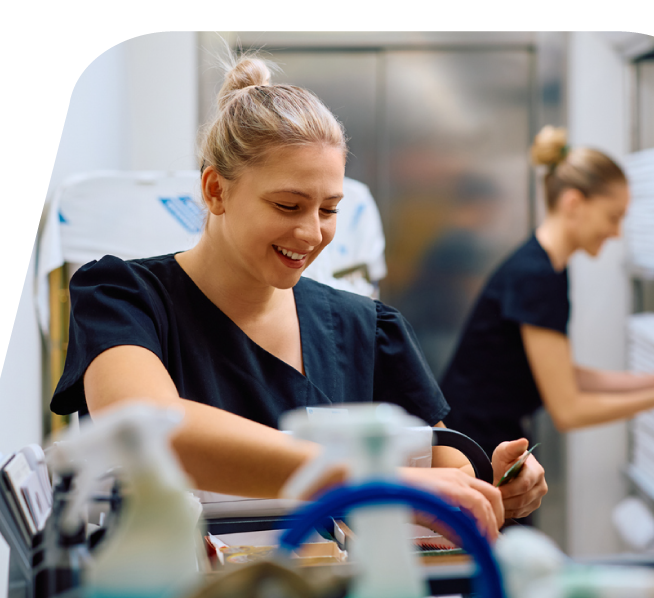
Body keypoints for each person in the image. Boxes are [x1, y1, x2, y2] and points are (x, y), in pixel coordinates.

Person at [50, 54, 548, 543]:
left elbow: (445, 464)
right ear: (215, 190)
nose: (311, 233)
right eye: (288, 205)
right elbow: (149, 428)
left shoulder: (365, 329)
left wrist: (490, 488)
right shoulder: (123, 298)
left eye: (329, 209)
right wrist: (371, 480)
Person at [440, 126, 654, 483]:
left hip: (479, 439)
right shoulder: (536, 275)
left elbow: (558, 371)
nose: (617, 232)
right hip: (475, 449)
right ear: (574, 203)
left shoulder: (546, 268)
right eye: (613, 216)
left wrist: (651, 381)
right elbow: (569, 410)